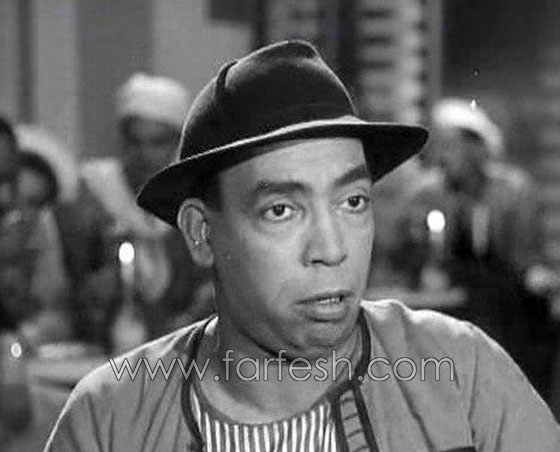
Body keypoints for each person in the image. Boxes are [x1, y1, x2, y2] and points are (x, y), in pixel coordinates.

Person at [43, 41, 559, 452]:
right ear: (201, 233)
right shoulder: (110, 420)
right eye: (281, 210)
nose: (332, 249)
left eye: (352, 202)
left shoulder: (459, 373)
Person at [395, 98, 556, 395]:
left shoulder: (513, 190)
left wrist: (536, 276)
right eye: (439, 146)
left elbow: (525, 258)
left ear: (477, 149)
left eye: (451, 146)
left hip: (505, 300)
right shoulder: (425, 195)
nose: (443, 156)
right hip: (450, 300)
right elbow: (408, 253)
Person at [59, 73, 213, 348]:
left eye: (157, 142)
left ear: (177, 142)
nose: (145, 154)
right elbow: (72, 283)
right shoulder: (95, 192)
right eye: (135, 142)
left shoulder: (195, 197)